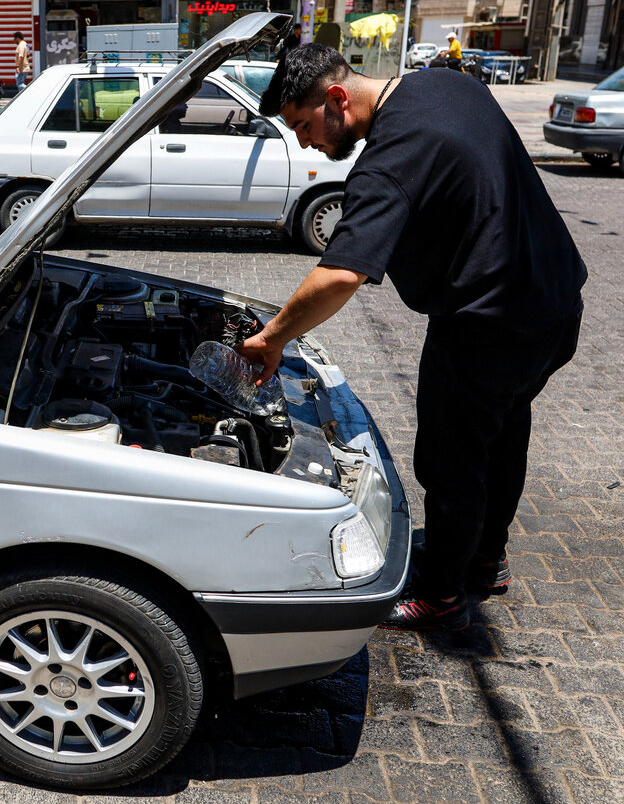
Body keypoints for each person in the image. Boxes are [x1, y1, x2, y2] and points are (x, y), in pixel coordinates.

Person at [242, 44, 586, 631]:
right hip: (555, 304)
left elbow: (341, 273)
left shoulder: (390, 158)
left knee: (450, 460)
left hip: (486, 326)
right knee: (501, 436)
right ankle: (485, 560)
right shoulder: (443, 85)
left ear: (336, 99)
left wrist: (272, 338)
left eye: (303, 126)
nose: (305, 144)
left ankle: (444, 596)